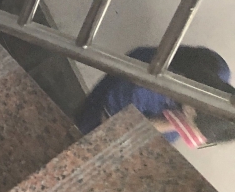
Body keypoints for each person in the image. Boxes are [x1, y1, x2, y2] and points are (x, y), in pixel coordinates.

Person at [77, 46, 235, 148]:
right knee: (88, 134)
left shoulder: (219, 69)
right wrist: (172, 124)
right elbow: (111, 129)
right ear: (190, 110)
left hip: (168, 96)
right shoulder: (139, 90)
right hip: (133, 80)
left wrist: (185, 123)